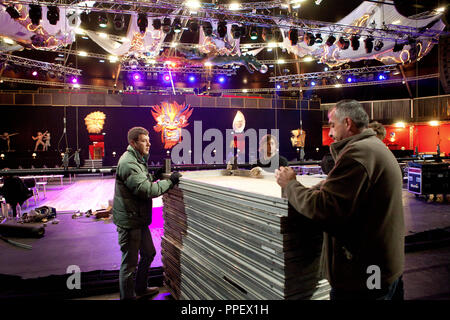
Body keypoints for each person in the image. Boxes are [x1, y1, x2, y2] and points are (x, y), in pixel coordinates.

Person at [276, 99, 405, 300]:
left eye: (332, 124)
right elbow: (346, 190)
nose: (329, 132)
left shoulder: (358, 154)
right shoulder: (373, 148)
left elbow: (324, 209)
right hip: (383, 268)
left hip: (363, 277)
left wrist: (291, 184)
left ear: (347, 123)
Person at [112, 127, 181, 300]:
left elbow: (142, 182)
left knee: (149, 253)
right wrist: (170, 183)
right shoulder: (128, 162)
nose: (149, 143)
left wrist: (154, 176)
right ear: (133, 143)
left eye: (148, 140)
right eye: (144, 140)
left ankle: (140, 289)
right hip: (129, 221)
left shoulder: (138, 159)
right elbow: (146, 190)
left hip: (138, 219)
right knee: (129, 265)